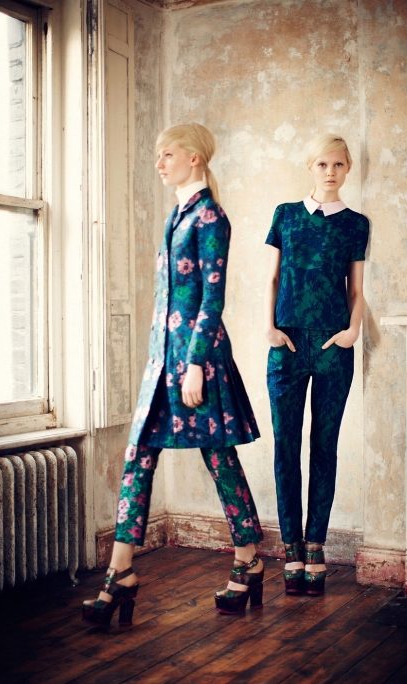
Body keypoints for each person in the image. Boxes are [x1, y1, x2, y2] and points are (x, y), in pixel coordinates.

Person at [83, 123, 264, 627]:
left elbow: (212, 297)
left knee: (219, 458)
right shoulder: (177, 214)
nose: (159, 163)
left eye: (167, 154)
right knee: (138, 455)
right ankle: (120, 573)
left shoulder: (211, 217)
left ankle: (248, 561)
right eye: (158, 155)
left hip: (196, 361)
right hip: (161, 361)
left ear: (194, 158)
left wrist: (195, 365)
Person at [264, 133, 369, 596]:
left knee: (324, 447)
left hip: (332, 347)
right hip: (286, 345)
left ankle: (315, 546)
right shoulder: (285, 215)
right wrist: (269, 328)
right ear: (311, 167)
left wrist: (352, 331)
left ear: (348, 169)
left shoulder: (356, 224)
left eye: (338, 164)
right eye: (323, 164)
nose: (330, 171)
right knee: (285, 446)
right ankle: (290, 547)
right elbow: (272, 278)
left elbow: (356, 289)